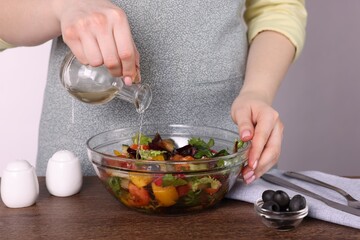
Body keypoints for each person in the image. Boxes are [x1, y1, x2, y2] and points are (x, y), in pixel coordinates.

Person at [0, 0, 307, 184]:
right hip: (82, 174)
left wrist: (257, 91)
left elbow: (276, 8)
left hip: (225, 165)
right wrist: (60, 6)